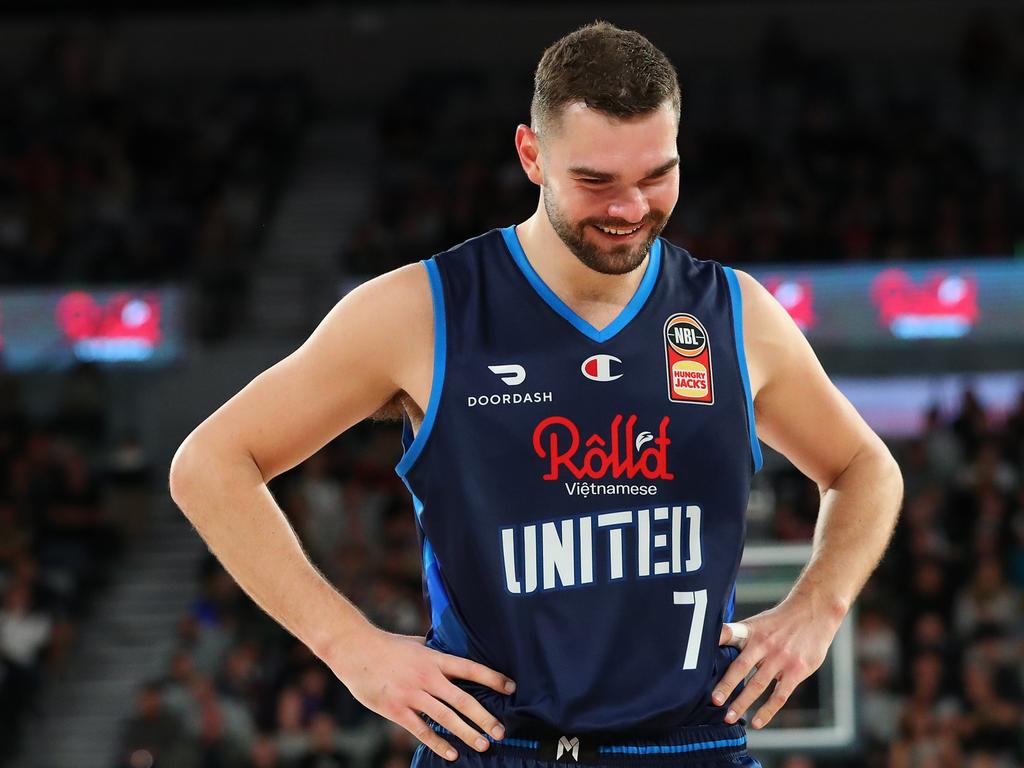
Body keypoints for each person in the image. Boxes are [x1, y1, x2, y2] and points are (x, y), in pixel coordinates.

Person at [169, 21, 903, 768]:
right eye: (596, 181)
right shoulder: (422, 312)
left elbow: (865, 469)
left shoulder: (733, 315)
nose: (629, 208)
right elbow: (211, 464)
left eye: (656, 175)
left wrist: (819, 607)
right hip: (498, 745)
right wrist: (349, 647)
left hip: (690, 745)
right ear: (531, 155)